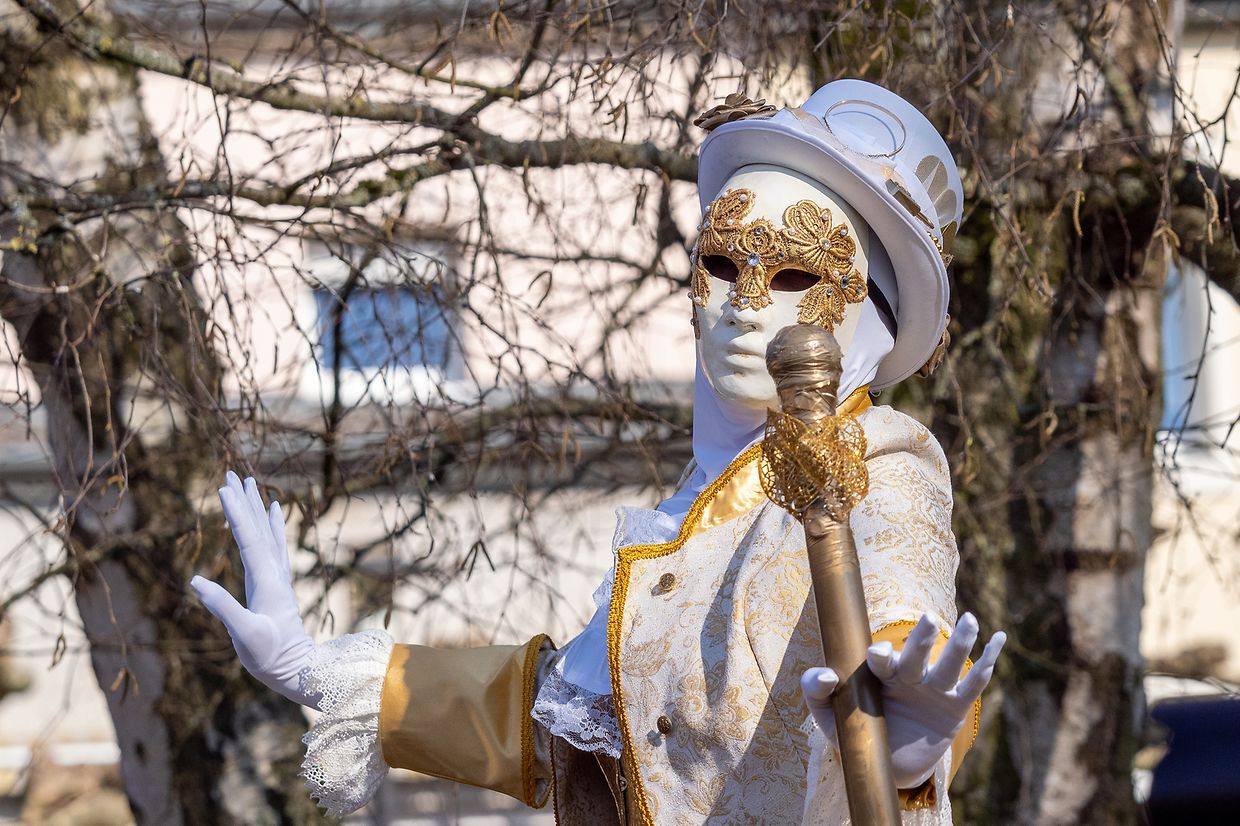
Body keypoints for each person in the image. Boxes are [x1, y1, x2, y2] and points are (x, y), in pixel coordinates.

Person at [191, 79, 1006, 826]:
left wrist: (914, 739)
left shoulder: (878, 458)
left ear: (873, 319)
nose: (743, 305)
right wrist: (310, 667)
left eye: (796, 274)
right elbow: (551, 724)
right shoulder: (691, 514)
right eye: (720, 264)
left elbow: (905, 607)